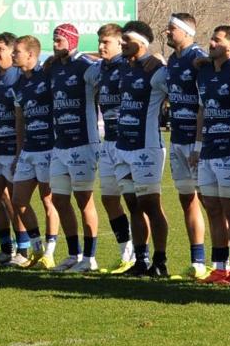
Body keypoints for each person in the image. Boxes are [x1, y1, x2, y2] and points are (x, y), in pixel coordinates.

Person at [190, 25, 230, 286]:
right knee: (212, 209)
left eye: (217, 40)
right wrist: (197, 147)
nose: (211, 43)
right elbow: (203, 112)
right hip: (209, 151)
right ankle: (218, 268)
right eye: (211, 39)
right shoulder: (202, 73)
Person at [114, 21, 171, 278]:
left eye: (126, 40)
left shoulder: (156, 70)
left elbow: (180, 90)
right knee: (133, 206)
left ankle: (160, 261)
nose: (121, 44)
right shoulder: (125, 67)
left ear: (142, 43)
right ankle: (140, 259)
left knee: (151, 205)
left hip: (146, 148)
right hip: (122, 147)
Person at [46, 24, 102, 273]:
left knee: (84, 200)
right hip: (61, 144)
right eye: (53, 39)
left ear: (71, 40)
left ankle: (90, 258)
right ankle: (73, 253)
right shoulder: (54, 66)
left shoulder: (86, 66)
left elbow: (108, 69)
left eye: (58, 40)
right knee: (58, 198)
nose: (54, 43)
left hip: (83, 142)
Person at [164, 13, 208, 278]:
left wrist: (199, 143)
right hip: (177, 138)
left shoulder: (198, 57)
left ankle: (223, 262)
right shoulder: (172, 60)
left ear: (186, 31)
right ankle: (198, 261)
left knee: (209, 201)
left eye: (171, 29)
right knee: (187, 200)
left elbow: (204, 103)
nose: (167, 33)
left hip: (195, 142)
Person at [9, 35, 58, 269]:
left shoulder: (47, 75)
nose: (13, 55)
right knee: (18, 201)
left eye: (17, 51)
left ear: (31, 54)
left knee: (49, 200)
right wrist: (19, 153)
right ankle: (36, 249)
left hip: (49, 148)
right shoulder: (18, 84)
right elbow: (20, 120)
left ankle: (49, 253)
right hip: (28, 151)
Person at [95, 24, 136, 273]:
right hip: (107, 143)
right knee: (109, 199)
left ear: (120, 44)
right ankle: (126, 252)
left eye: (106, 42)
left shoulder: (129, 66)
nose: (101, 46)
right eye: (99, 42)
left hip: (129, 143)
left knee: (135, 201)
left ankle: (143, 255)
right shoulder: (98, 68)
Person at [0, 32, 22, 265]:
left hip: (15, 149)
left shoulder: (20, 77)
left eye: (0, 49)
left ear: (13, 51)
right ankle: (5, 248)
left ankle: (24, 248)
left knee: (15, 199)